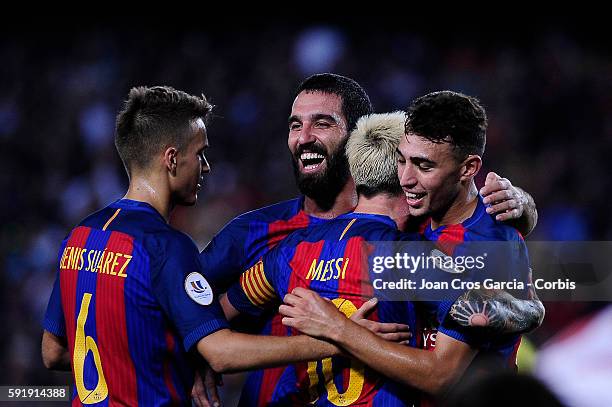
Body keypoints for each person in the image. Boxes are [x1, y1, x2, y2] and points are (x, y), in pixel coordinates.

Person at [200, 74, 539, 404]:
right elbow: (201, 317)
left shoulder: (292, 250)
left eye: (422, 165)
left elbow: (443, 372)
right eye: (404, 161)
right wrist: (196, 357)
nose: (408, 177)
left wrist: (521, 204)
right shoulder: (406, 240)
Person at [41, 86, 354, 406]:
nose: (205, 166)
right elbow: (220, 353)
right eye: (200, 154)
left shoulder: (79, 236)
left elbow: (53, 352)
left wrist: (136, 364)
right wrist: (338, 339)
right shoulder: (166, 247)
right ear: (172, 159)